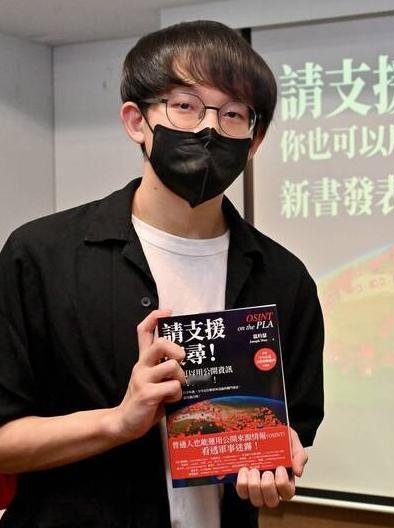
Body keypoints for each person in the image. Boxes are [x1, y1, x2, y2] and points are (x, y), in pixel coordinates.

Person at [0, 20, 324, 528]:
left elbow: (292, 432)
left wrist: (275, 463)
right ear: (136, 121)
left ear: (254, 139)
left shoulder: (284, 279)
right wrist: (117, 422)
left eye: (233, 114)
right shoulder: (41, 256)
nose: (209, 129)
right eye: (185, 105)